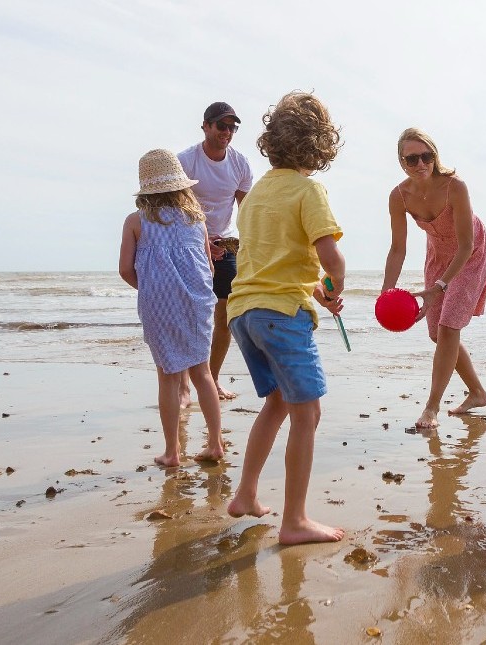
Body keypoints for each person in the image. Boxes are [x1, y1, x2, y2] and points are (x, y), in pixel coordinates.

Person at [224, 91, 347, 545]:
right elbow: (332, 259)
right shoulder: (308, 189)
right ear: (320, 145)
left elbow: (272, 262)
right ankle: (294, 520)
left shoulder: (256, 195)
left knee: (277, 402)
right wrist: (335, 286)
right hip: (280, 316)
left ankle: (246, 494)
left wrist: (316, 289)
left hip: (244, 314)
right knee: (307, 413)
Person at [118, 149, 225, 468]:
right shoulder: (197, 220)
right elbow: (209, 265)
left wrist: (151, 289)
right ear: (182, 186)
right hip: (198, 300)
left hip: (158, 305)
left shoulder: (136, 221)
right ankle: (216, 444)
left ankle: (172, 452)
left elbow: (125, 268)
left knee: (167, 375)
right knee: (202, 372)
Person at [384, 128, 486, 429]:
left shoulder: (454, 187)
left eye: (426, 156)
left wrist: (439, 288)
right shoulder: (399, 196)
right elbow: (397, 248)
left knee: (448, 327)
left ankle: (431, 408)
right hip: (437, 255)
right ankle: (478, 393)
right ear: (402, 162)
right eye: (412, 159)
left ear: (434, 156)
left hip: (470, 254)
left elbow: (467, 244)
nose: (421, 164)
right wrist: (386, 291)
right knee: (438, 334)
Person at [177, 101, 255, 402]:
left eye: (232, 127)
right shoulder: (186, 162)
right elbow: (177, 209)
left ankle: (212, 380)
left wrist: (250, 246)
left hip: (225, 245)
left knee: (226, 316)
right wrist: (200, 240)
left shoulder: (240, 164)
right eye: (221, 125)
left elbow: (246, 210)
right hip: (189, 243)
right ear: (206, 126)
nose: (227, 132)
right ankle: (184, 386)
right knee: (190, 316)